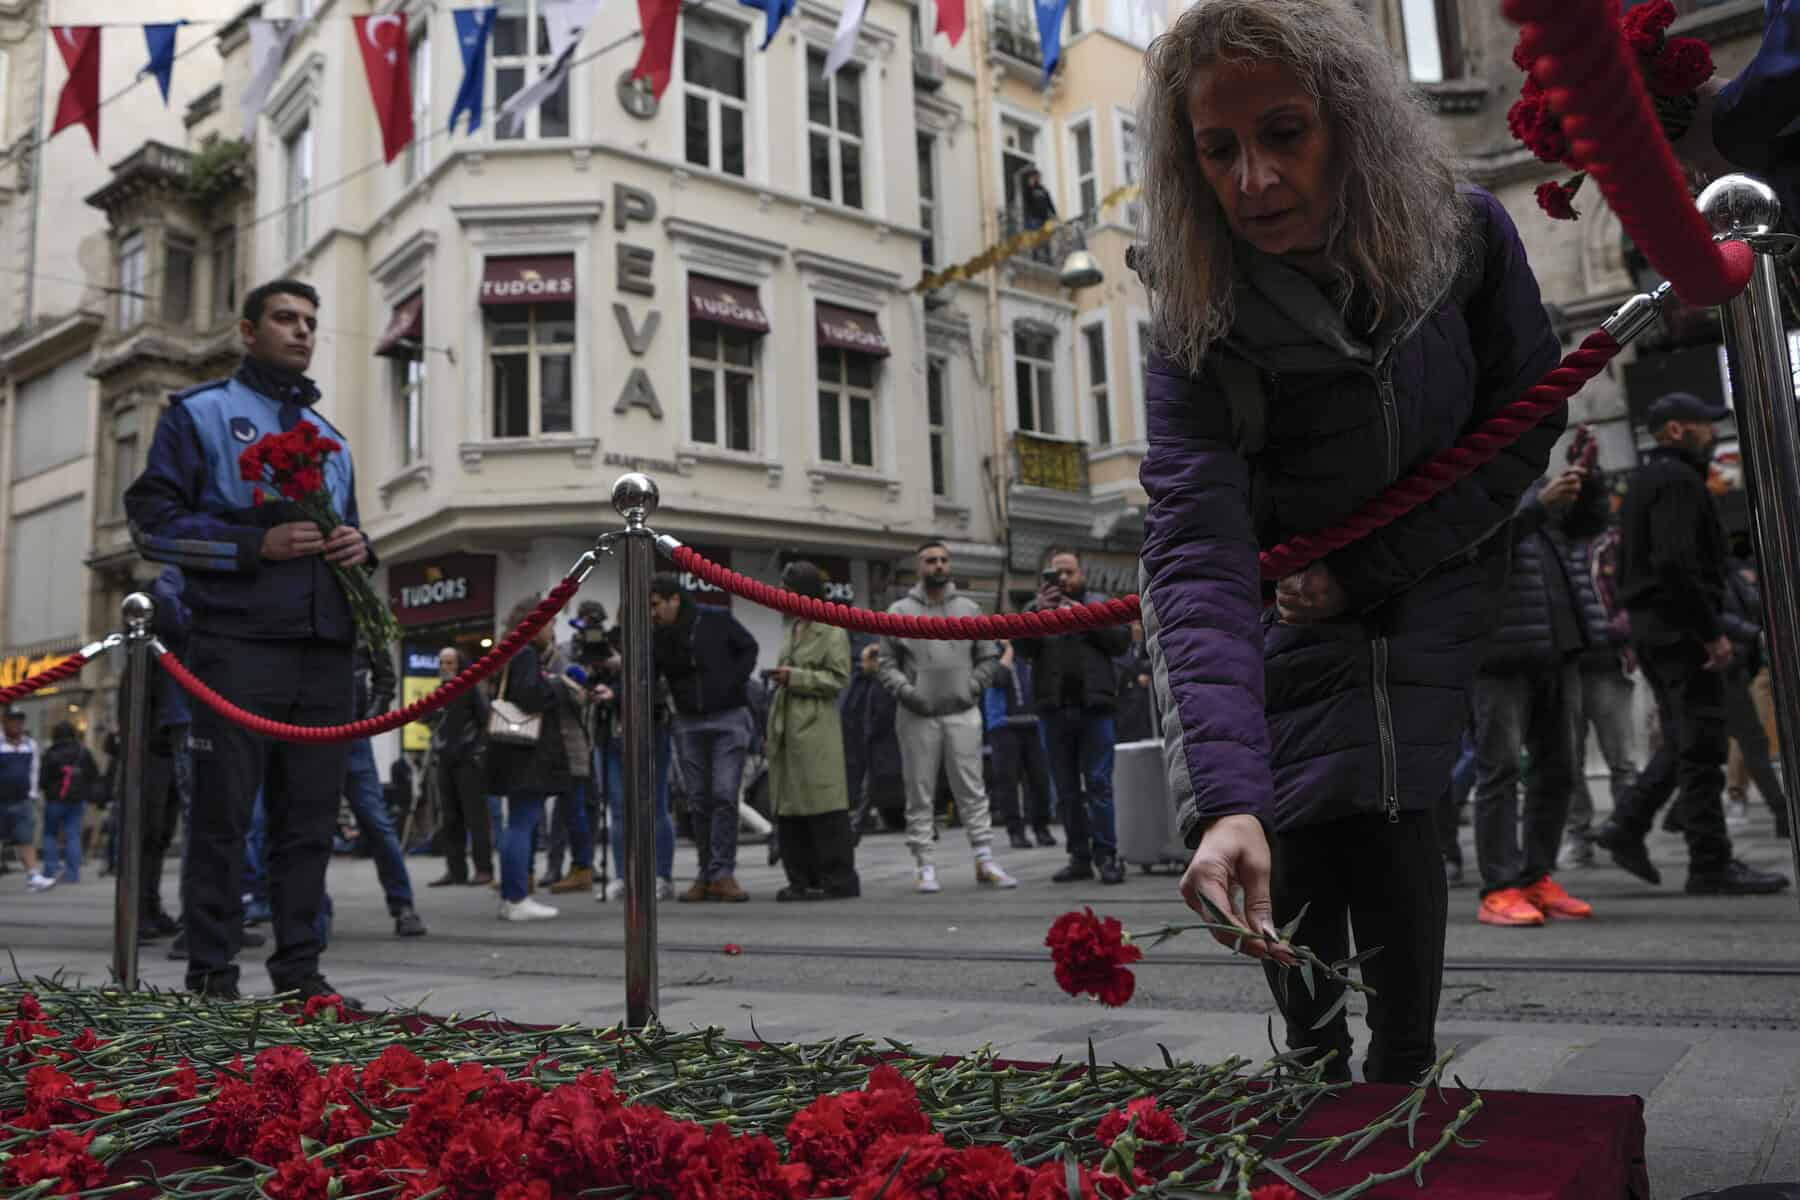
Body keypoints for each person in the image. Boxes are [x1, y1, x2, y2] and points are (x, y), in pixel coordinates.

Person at [1137, 0, 1565, 1083]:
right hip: (1277, 614)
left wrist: (1370, 567)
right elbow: (1194, 546)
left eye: (1285, 134)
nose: (1254, 182)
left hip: (1424, 586)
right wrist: (1223, 799)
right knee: (1294, 814)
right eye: (1218, 150)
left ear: (1351, 123)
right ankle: (1315, 1063)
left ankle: (1404, 1070)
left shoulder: (1467, 239)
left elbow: (1525, 426)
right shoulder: (1195, 310)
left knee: (1396, 805)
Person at [124, 278, 368, 1004]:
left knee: (310, 824)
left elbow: (347, 539)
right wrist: (254, 544)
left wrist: (362, 547)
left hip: (324, 649)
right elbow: (151, 524)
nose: (301, 331)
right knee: (224, 819)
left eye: (310, 322)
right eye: (285, 318)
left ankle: (300, 972)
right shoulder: (198, 414)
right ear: (247, 329)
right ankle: (212, 976)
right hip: (235, 643)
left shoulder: (333, 441)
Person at [1591, 392, 1790, 895]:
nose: (1710, 433)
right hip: (1681, 631)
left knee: (1686, 736)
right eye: (1703, 424)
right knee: (1702, 746)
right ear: (1676, 430)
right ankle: (1710, 863)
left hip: (1658, 629)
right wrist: (1711, 632)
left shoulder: (1645, 481)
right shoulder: (1677, 481)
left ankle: (1627, 824)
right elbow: (1677, 563)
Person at [1467, 467, 1596, 927]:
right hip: (1500, 654)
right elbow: (1476, 547)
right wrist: (1539, 508)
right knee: (1499, 770)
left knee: (1559, 769)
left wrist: (1587, 482)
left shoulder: (1535, 479)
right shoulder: (1472, 477)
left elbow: (1589, 529)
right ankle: (1499, 887)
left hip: (1556, 647)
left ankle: (1536, 875)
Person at [877, 541, 1018, 894]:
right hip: (916, 714)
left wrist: (971, 687)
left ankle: (985, 859)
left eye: (943, 560)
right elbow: (886, 665)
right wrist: (908, 693)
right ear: (918, 567)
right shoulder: (898, 610)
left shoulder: (969, 609)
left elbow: (989, 657)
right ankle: (924, 864)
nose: (938, 565)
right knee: (919, 791)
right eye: (930, 560)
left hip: (962, 711)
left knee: (972, 789)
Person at [1014, 548, 1131, 883]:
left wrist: (1085, 616)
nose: (1063, 579)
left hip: (1095, 709)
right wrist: (1038, 612)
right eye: (1056, 574)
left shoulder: (1100, 604)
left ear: (1082, 574)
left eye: (1069, 572)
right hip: (1054, 711)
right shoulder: (1035, 610)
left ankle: (1107, 856)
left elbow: (1121, 641)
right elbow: (1021, 650)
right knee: (1066, 790)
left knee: (1098, 785)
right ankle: (1079, 857)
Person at [651, 573, 760, 902]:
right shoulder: (659, 635)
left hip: (728, 717)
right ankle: (706, 872)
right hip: (688, 722)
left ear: (674, 600)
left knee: (725, 794)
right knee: (698, 800)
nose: (653, 612)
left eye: (656, 605)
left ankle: (722, 872)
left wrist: (732, 684)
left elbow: (748, 648)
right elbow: (652, 672)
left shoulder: (716, 619)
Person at [1556, 458, 1638, 870]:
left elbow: (1634, 594)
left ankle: (1625, 834)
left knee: (1621, 758)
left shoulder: (1615, 542)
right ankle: (1581, 838)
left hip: (1605, 661)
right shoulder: (1556, 541)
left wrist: (1613, 629)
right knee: (1568, 762)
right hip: (1568, 662)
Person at [765, 561, 860, 901]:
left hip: (816, 726)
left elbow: (838, 678)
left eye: (788, 590)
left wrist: (795, 677)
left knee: (824, 804)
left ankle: (837, 878)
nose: (781, 596)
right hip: (787, 726)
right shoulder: (793, 628)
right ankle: (800, 879)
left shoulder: (831, 629)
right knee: (790, 807)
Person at [486, 595, 583, 920]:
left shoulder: (507, 652)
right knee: (522, 824)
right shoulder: (525, 654)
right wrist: (557, 687)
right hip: (528, 754)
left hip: (511, 751)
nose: (554, 628)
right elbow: (530, 695)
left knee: (517, 823)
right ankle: (516, 898)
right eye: (551, 621)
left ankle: (513, 897)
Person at [341, 640, 426, 937]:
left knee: (377, 823)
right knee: (305, 827)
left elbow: (385, 679)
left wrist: (368, 719)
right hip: (310, 733)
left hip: (353, 736)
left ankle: (403, 906)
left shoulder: (361, 616)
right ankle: (311, 912)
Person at [427, 646, 494, 886]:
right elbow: (432, 721)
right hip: (445, 758)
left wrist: (477, 751)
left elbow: (485, 720)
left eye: (449, 663)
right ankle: (455, 870)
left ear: (458, 665)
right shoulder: (439, 692)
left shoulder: (470, 688)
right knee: (450, 817)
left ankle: (484, 868)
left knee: (476, 817)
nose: (444, 667)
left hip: (467, 759)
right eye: (442, 663)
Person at [984, 641, 1057, 850]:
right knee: (1007, 781)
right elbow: (998, 679)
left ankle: (1041, 827)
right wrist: (1009, 650)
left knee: (1039, 779)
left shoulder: (1029, 654)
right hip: (1004, 726)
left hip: (1033, 723)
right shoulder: (991, 654)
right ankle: (1015, 831)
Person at [849, 644, 905, 833]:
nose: (861, 665)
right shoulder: (880, 681)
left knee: (873, 786)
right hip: (886, 745)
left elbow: (882, 714)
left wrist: (870, 733)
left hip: (884, 745)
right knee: (896, 786)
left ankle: (856, 827)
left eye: (864, 660)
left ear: (874, 661)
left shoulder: (882, 682)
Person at [37, 722, 98, 885]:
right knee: (73, 836)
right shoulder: (83, 752)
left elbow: (42, 779)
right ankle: (72, 874)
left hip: (55, 800)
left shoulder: (50, 753)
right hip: (77, 800)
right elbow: (93, 774)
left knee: (50, 834)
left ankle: (50, 870)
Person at [1, 710, 50, 891]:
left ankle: (33, 876)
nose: (16, 725)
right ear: (4, 723)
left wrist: (33, 793)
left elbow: (34, 770)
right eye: (12, 721)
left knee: (26, 839)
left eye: (19, 722)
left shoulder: (30, 745)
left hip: (22, 800)